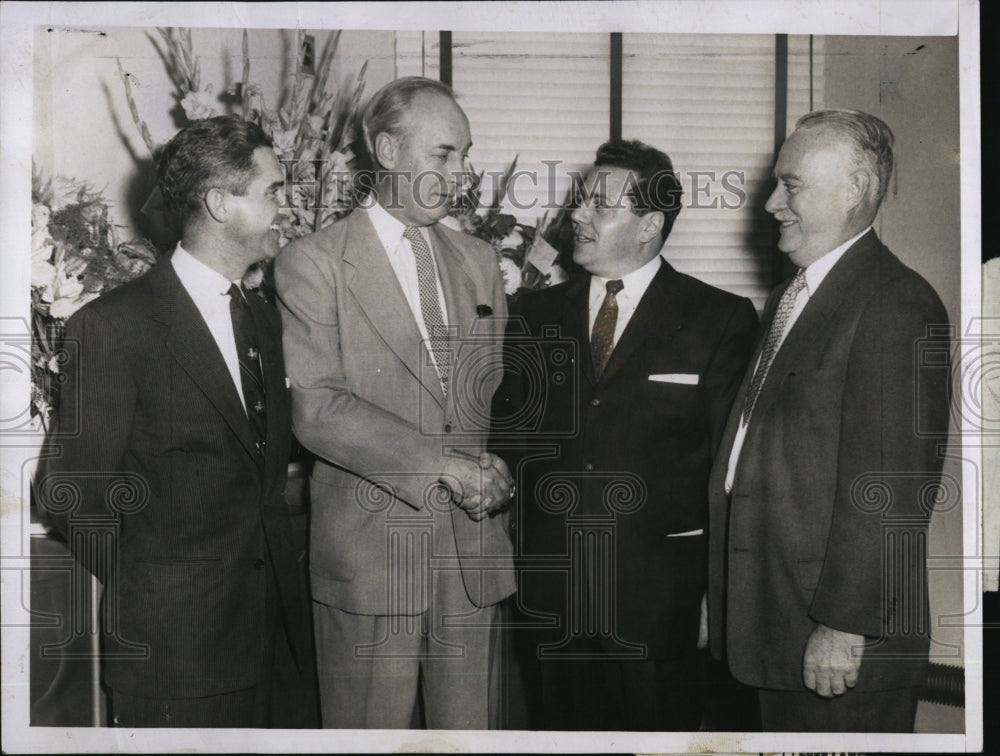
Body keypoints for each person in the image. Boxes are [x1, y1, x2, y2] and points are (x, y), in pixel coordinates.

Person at [36, 115, 312, 727]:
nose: (287, 206)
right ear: (219, 203)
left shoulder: (261, 316)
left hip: (276, 641)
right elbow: (69, 491)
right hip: (176, 655)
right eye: (273, 190)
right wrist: (157, 581)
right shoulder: (113, 327)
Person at [491, 139, 758, 730]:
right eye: (580, 201)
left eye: (600, 206)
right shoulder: (533, 316)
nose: (576, 216)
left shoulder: (719, 319)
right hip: (553, 598)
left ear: (649, 225)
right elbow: (509, 441)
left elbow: (732, 469)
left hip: (660, 603)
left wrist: (720, 592)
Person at [274, 76, 515, 729]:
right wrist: (444, 463)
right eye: (443, 155)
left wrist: (493, 470)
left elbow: (486, 399)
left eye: (466, 154)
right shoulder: (312, 263)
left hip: (471, 554)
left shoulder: (480, 262)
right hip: (371, 558)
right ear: (385, 149)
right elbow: (318, 408)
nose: (461, 173)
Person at [706, 109, 952, 732]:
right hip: (772, 619)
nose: (769, 205)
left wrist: (844, 626)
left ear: (856, 189)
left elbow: (892, 487)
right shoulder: (794, 296)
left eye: (791, 186)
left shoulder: (895, 302)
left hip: (836, 637)